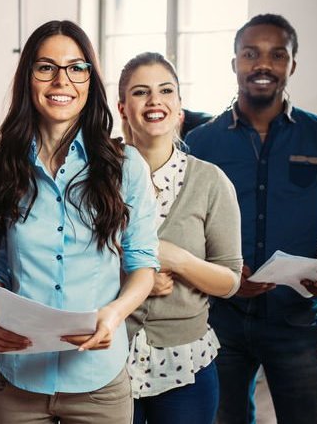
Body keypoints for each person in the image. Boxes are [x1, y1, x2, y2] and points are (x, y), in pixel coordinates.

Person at [0, 20, 158, 424]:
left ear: (91, 80)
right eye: (46, 68)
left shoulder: (125, 168)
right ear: (28, 77)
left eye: (77, 68)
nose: (62, 80)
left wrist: (113, 315)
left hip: (98, 382)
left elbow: (143, 266)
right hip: (16, 378)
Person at [186, 14, 317, 424]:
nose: (263, 65)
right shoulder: (200, 142)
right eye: (251, 54)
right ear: (234, 63)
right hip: (219, 320)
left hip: (295, 320)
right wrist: (220, 273)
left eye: (277, 55)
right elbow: (184, 229)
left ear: (292, 65)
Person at [117, 52, 243, 424]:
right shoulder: (95, 175)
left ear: (179, 107)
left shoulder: (210, 181)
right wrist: (133, 281)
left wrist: (179, 260)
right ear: (123, 108)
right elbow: (70, 263)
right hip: (106, 357)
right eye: (141, 92)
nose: (154, 101)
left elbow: (230, 281)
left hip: (185, 365)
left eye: (165, 90)